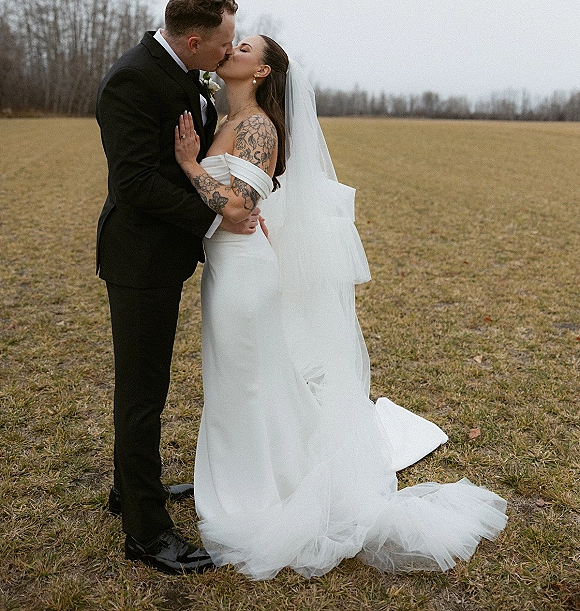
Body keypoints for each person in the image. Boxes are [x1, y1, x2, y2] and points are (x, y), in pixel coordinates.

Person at [174, 34, 508, 580]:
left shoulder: (258, 127)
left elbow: (241, 205)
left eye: (245, 46)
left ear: (261, 73)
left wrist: (189, 164)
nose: (232, 48)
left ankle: (261, 493)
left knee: (249, 382)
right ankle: (243, 477)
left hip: (245, 271)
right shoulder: (223, 120)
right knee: (237, 380)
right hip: (225, 271)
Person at [96, 0, 262, 575]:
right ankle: (146, 535)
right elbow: (135, 181)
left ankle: (129, 489)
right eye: (221, 44)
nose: (225, 54)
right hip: (138, 259)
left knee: (151, 383)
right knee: (142, 392)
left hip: (167, 255)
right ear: (193, 40)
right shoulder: (131, 80)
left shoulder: (188, 72)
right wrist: (217, 216)